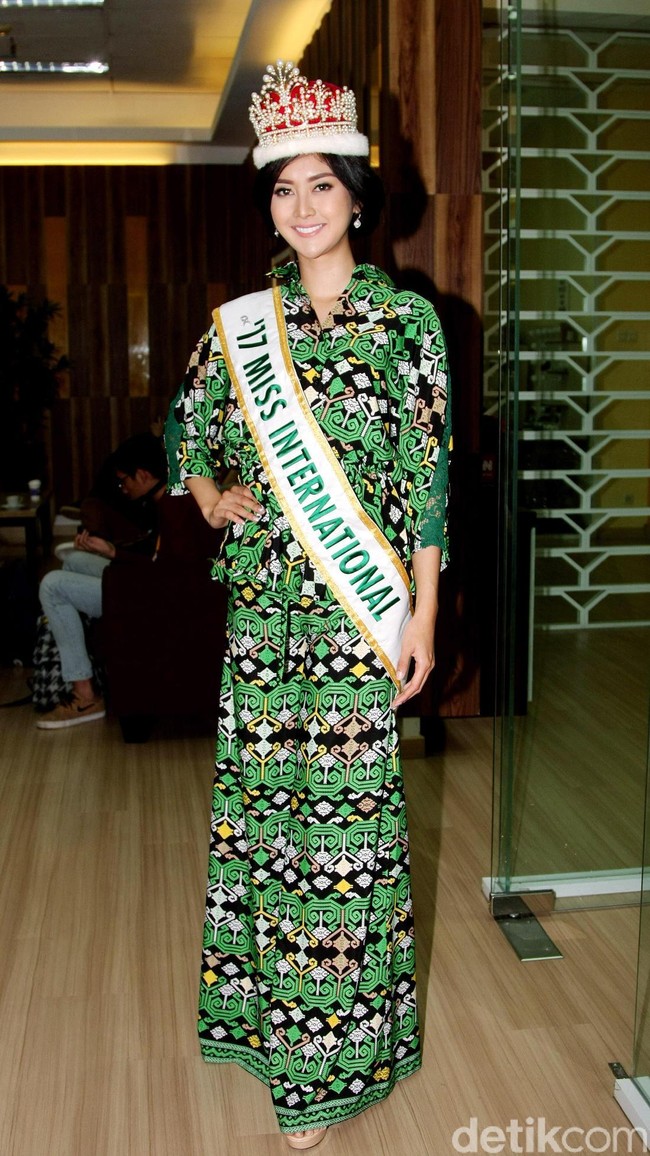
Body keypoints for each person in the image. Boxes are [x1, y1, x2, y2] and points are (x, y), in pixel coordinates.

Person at [165, 61, 451, 1150]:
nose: (301, 207)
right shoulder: (238, 326)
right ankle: (271, 1038)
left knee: (343, 843)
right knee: (266, 828)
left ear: (359, 198)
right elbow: (187, 438)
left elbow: (426, 487)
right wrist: (209, 494)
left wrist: (421, 616)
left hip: (353, 622)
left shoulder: (405, 325)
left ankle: (327, 1071)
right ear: (267, 203)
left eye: (321, 185)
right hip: (264, 623)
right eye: (282, 188)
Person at [36, 432, 216, 729]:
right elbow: (161, 559)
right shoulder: (168, 500)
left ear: (143, 475)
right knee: (74, 560)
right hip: (155, 585)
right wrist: (112, 551)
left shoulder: (177, 509)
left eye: (124, 481)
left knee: (52, 585)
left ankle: (85, 695)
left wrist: (115, 552)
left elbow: (167, 577)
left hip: (156, 598)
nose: (122, 488)